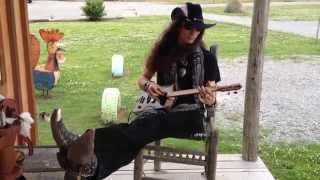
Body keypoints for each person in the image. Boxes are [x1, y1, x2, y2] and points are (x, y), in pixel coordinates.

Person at [50, 2, 221, 180]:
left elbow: (213, 98)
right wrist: (148, 86)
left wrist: (209, 100)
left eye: (198, 28)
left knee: (144, 126)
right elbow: (142, 79)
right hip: (163, 112)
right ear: (177, 27)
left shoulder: (207, 59)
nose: (194, 32)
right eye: (189, 27)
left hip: (192, 116)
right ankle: (91, 167)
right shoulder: (164, 53)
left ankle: (79, 144)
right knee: (135, 132)